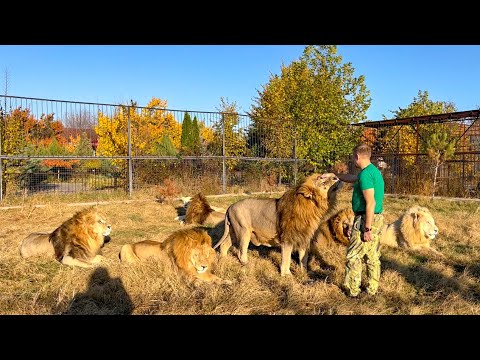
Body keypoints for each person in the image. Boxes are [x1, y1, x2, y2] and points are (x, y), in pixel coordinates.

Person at [330, 143, 385, 297]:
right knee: (372, 256)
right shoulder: (372, 171)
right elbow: (353, 178)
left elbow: (371, 202)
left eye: (353, 157)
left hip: (366, 218)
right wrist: (336, 175)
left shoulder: (366, 175)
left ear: (357, 156)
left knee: (353, 256)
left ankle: (353, 291)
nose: (353, 160)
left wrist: (366, 229)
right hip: (377, 217)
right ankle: (372, 290)